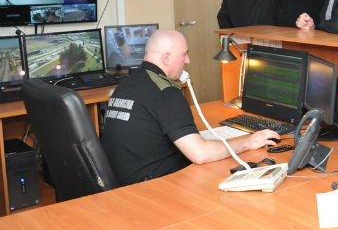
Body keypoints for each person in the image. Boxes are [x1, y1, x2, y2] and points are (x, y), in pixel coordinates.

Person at [102, 30, 279, 186]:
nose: (188, 60)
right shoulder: (165, 91)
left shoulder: (126, 84)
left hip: (126, 181)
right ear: (167, 57)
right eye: (184, 54)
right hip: (153, 186)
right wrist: (248, 142)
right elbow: (200, 154)